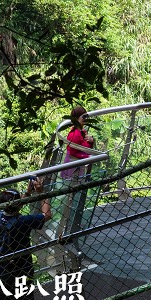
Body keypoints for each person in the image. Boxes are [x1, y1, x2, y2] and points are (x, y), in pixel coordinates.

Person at [0, 178, 52, 300]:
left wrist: (27, 193)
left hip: (3, 267)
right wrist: (40, 193)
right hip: (22, 268)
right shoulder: (23, 221)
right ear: (18, 204)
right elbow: (47, 214)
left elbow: (13, 207)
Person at [58, 105, 96, 246]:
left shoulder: (82, 132)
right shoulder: (74, 133)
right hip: (73, 167)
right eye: (83, 117)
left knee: (75, 195)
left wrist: (90, 143)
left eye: (87, 116)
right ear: (76, 119)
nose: (86, 119)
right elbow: (75, 151)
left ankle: (70, 227)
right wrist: (89, 154)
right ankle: (65, 229)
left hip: (78, 167)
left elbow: (83, 147)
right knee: (70, 196)